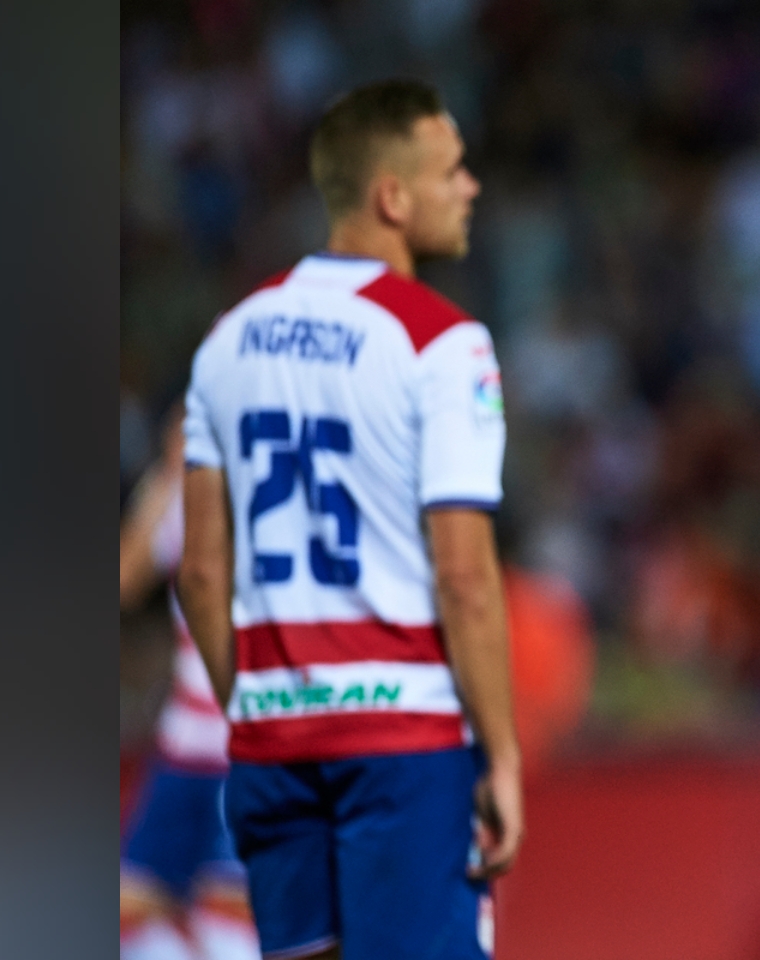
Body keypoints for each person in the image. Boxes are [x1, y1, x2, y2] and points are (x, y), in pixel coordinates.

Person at [176, 78, 521, 960]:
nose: (471, 186)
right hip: (401, 742)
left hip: (271, 742)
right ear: (392, 196)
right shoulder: (444, 345)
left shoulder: (226, 341)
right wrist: (503, 755)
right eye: (453, 170)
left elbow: (203, 573)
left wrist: (253, 708)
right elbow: (466, 578)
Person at [120, 411, 262, 960]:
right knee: (134, 908)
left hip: (245, 746)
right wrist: (161, 485)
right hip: (186, 745)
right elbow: (126, 581)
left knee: (232, 921)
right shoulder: (182, 501)